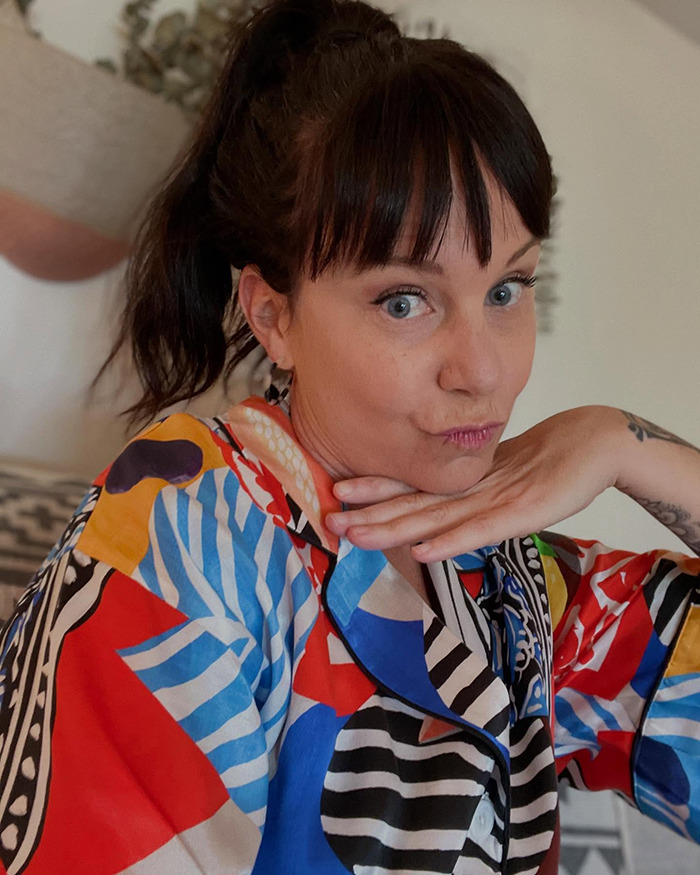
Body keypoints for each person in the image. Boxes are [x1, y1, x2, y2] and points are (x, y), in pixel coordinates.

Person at [0, 0, 698, 873]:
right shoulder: (177, 547)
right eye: (405, 300)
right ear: (273, 314)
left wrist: (628, 446)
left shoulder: (507, 573)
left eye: (508, 288)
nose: (481, 369)